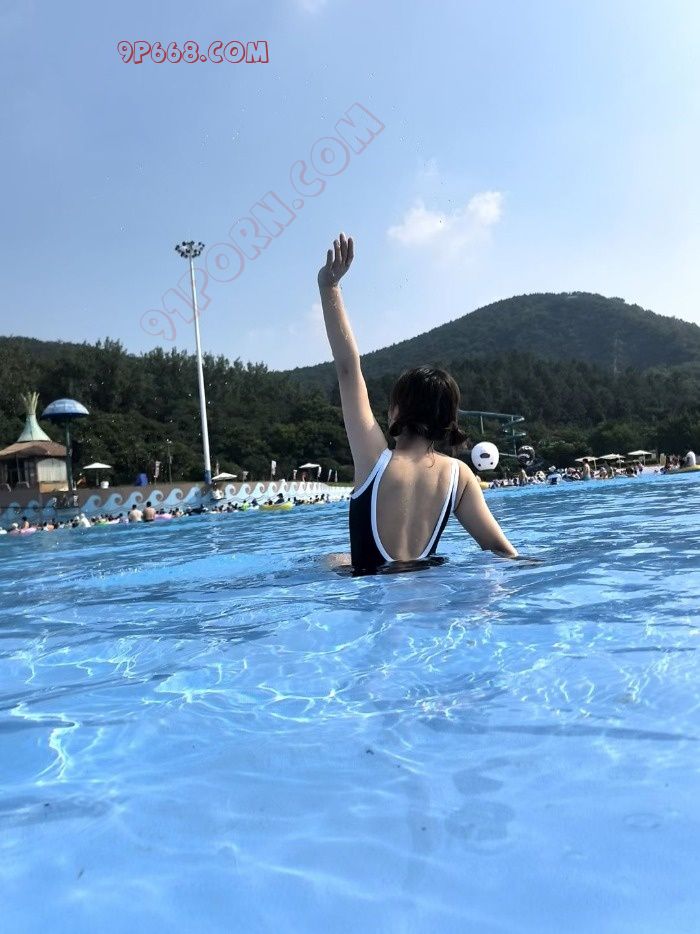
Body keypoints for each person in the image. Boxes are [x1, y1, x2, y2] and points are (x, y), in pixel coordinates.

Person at [317, 232, 518, 574]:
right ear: (448, 419)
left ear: (396, 411)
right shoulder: (459, 475)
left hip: (371, 599)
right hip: (429, 596)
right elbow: (501, 551)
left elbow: (349, 370)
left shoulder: (374, 460)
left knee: (329, 561)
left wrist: (329, 286)